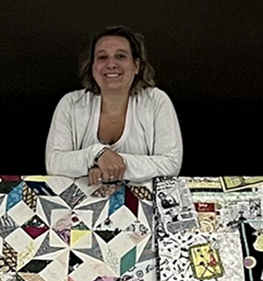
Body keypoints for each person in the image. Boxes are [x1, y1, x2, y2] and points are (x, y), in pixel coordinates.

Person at [45, 26, 183, 184]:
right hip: (80, 200)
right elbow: (54, 163)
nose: (111, 64)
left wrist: (110, 166)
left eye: (120, 56)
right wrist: (97, 154)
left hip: (145, 199)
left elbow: (171, 164)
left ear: (136, 65)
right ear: (92, 67)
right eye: (102, 57)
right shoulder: (71, 104)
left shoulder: (156, 101)